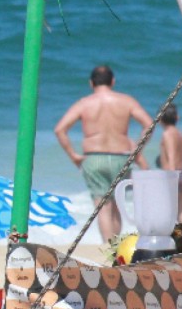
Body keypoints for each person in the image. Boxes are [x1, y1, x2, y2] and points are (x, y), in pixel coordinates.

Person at [54, 65, 154, 240]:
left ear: (91, 83)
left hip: (94, 158)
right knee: (116, 205)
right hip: (121, 157)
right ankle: (116, 249)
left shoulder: (84, 103)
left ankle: (108, 249)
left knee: (102, 207)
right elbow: (149, 124)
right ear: (113, 81)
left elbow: (60, 130)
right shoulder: (126, 101)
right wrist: (137, 148)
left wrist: (73, 155)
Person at [157, 104, 182, 223]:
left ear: (160, 120)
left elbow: (172, 155)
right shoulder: (180, 134)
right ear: (177, 118)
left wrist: (171, 177)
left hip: (174, 175)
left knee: (170, 212)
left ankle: (173, 239)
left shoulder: (167, 134)